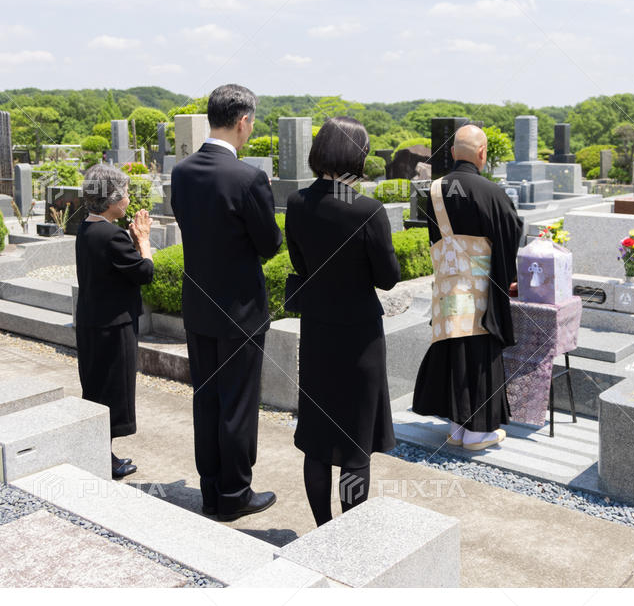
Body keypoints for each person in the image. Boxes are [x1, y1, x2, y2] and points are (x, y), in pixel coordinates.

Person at [170, 84, 283, 522]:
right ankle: (235, 494)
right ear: (243, 121)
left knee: (207, 399)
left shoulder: (182, 172)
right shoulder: (248, 178)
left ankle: (211, 490)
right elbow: (270, 244)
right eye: (252, 123)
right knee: (237, 403)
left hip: (198, 305)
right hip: (240, 311)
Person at [284, 116, 401, 526]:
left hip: (317, 329)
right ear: (357, 156)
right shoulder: (368, 210)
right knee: (355, 442)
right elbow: (388, 278)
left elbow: (300, 263)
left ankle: (322, 527)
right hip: (359, 336)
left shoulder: (297, 202)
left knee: (317, 439)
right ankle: (348, 535)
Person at [411, 124, 523, 450]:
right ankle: (477, 433)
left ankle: (457, 428)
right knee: (478, 352)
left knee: (454, 347)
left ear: (452, 153)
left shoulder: (434, 190)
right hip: (480, 287)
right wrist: (508, 275)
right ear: (482, 153)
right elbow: (511, 232)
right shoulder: (491, 192)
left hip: (448, 285)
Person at [75, 164, 154, 480]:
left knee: (95, 388)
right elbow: (144, 272)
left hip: (92, 321)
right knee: (112, 391)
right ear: (111, 200)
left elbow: (119, 269)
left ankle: (98, 453)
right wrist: (143, 241)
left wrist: (131, 241)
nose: (129, 199)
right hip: (114, 325)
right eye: (126, 194)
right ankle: (102, 458)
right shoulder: (111, 235)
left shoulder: (86, 228)